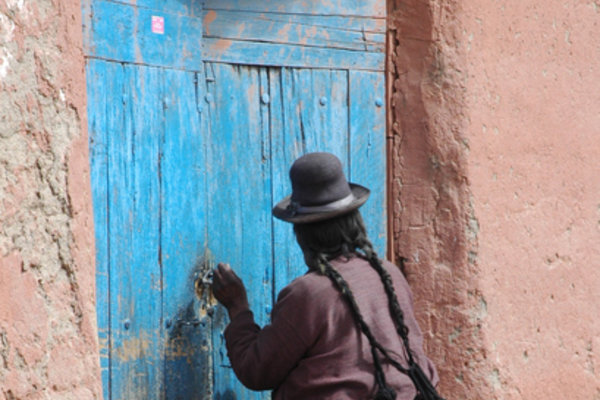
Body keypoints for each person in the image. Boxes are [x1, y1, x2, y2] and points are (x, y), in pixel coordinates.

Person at [211, 152, 444, 400]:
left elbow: (257, 371)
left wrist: (237, 307)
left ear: (302, 234)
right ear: (355, 222)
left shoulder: (308, 293)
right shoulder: (388, 273)